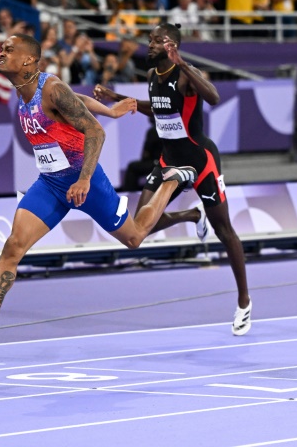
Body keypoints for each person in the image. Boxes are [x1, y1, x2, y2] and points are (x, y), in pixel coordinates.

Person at [0, 34, 199, 360]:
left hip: (86, 182)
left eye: (9, 50)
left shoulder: (49, 88)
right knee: (13, 246)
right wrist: (109, 110)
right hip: (51, 183)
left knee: (135, 238)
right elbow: (76, 99)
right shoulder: (27, 90)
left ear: (27, 61)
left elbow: (95, 132)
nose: (1, 53)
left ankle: (172, 182)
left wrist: (84, 177)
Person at [94, 23, 253, 335]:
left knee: (224, 230)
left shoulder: (184, 75)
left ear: (172, 46)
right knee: (137, 229)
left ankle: (244, 302)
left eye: (156, 41)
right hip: (169, 161)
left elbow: (215, 97)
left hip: (200, 161)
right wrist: (119, 97)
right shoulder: (154, 76)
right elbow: (158, 111)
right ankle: (192, 215)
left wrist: (183, 63)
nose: (149, 45)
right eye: (149, 40)